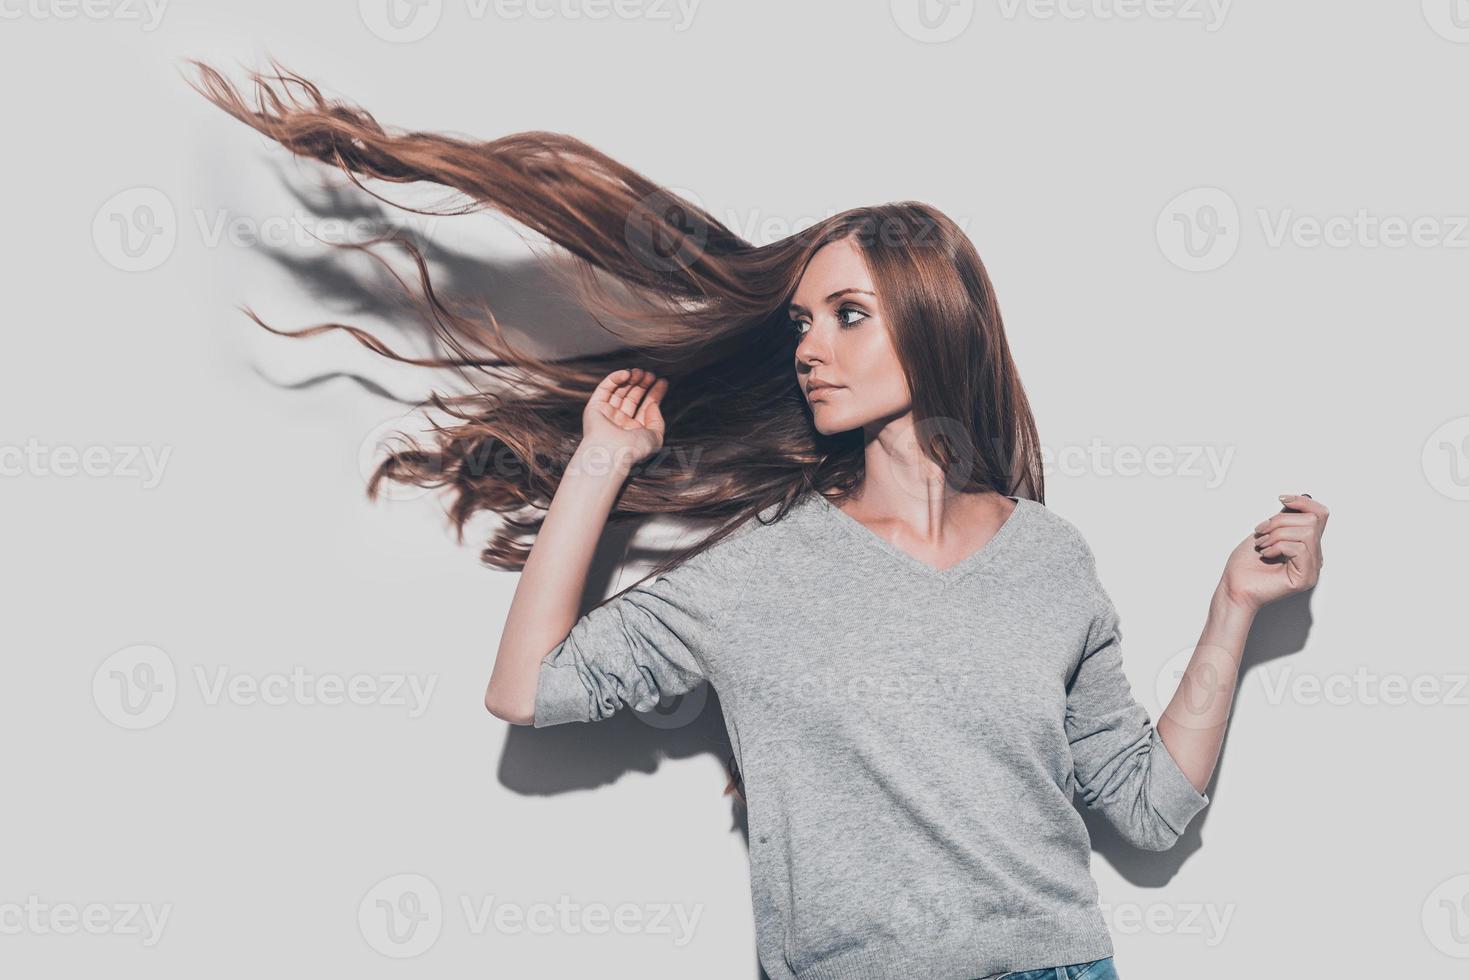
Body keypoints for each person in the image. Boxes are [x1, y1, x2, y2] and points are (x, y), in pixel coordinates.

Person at [188, 61, 1328, 980]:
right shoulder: (761, 571)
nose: (807, 346)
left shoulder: (1048, 554)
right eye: (799, 321)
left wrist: (1230, 608)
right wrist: (595, 466)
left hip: (1058, 965)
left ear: (934, 324)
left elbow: (1146, 807)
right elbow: (526, 688)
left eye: (844, 315)